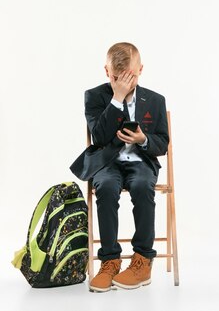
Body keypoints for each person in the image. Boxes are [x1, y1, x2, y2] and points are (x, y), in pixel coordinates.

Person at [77, 42, 169, 292]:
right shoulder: (95, 97)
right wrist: (116, 98)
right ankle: (110, 260)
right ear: (107, 72)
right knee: (105, 187)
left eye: (131, 76)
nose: (125, 83)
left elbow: (163, 143)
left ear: (141, 70)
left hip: (141, 161)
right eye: (118, 78)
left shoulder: (156, 100)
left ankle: (142, 259)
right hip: (107, 162)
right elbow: (99, 137)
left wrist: (144, 139)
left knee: (141, 186)